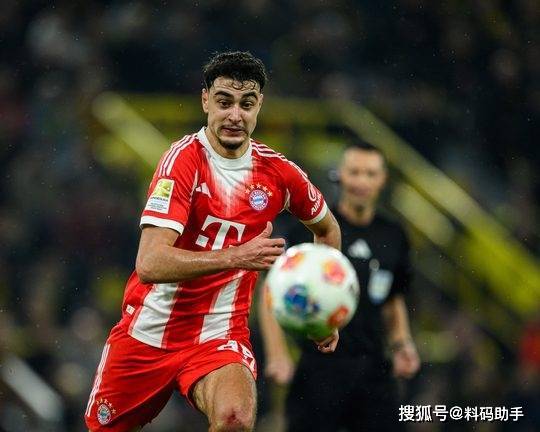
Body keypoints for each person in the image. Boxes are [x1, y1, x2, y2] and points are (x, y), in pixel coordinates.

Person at [84, 51, 341, 432]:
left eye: (246, 104)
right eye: (224, 102)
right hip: (148, 333)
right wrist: (236, 256)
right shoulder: (182, 162)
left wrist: (321, 309)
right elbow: (150, 263)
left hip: (219, 336)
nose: (235, 115)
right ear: (205, 100)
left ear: (259, 106)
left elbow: (327, 230)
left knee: (235, 419)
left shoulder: (279, 173)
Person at [260, 141, 421, 431]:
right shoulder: (312, 229)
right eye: (354, 172)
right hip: (320, 368)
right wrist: (277, 354)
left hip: (374, 367)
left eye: (370, 174)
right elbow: (272, 292)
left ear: (383, 179)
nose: (362, 181)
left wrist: (401, 342)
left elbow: (393, 297)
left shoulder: (394, 234)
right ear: (339, 175)